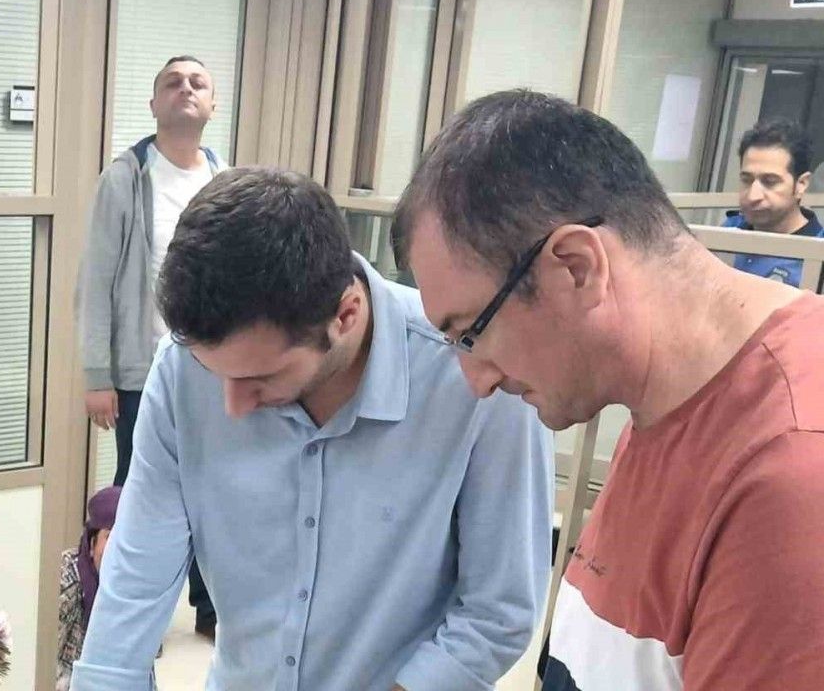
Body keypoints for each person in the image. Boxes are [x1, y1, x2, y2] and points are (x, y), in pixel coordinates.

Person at [396, 90, 824, 690]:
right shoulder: (662, 399)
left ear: (577, 267)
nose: (477, 381)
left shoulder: (792, 468)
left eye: (471, 333)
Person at [72, 168, 553, 691]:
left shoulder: (475, 377)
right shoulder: (181, 368)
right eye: (216, 375)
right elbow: (138, 575)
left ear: (345, 316)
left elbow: (497, 613)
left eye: (261, 377)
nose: (232, 406)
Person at [78, 54, 224, 639]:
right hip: (144, 372)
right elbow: (96, 280)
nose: (185, 89)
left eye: (197, 83)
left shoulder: (225, 180)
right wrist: (97, 374)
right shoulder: (126, 177)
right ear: (154, 103)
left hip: (213, 369)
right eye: (172, 82)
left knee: (213, 488)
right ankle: (129, 615)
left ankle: (210, 610)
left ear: (212, 105)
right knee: (139, 495)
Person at [721, 118, 821, 286]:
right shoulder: (728, 229)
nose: (753, 196)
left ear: (801, 184)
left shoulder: (819, 253)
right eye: (746, 180)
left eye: (770, 182)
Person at [56, 486, 122, 691]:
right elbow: (42, 663)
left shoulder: (136, 588)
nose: (120, 548)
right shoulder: (65, 583)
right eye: (111, 537)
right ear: (92, 544)